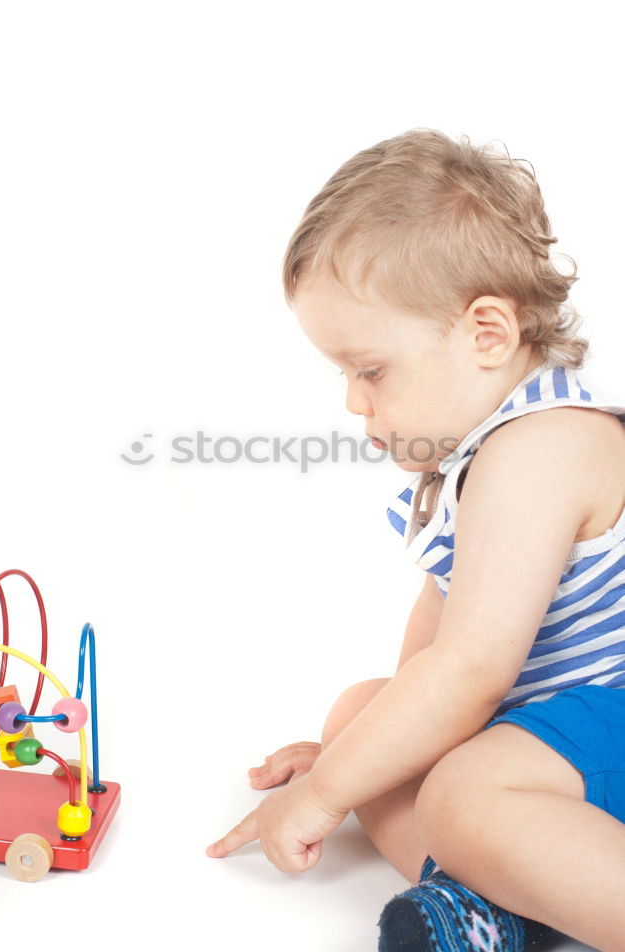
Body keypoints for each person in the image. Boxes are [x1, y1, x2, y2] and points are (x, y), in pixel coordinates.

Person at [206, 129, 625, 952]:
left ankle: (530, 888)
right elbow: (428, 672)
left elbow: (470, 673)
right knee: (360, 712)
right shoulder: (475, 463)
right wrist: (353, 755)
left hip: (604, 720)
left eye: (370, 370)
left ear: (485, 335)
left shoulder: (541, 449)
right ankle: (498, 909)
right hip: (552, 736)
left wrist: (329, 792)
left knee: (462, 791)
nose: (356, 404)